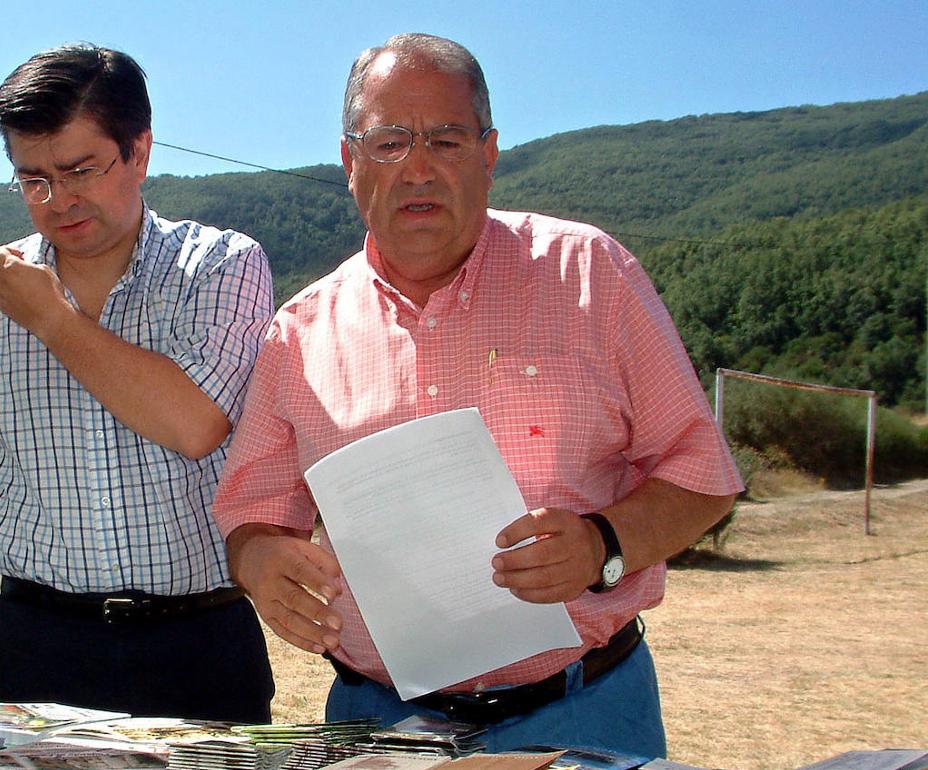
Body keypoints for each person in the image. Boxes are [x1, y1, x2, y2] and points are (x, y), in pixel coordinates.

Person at [212, 33, 742, 755]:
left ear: (489, 154)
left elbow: (702, 478)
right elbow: (254, 514)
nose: (418, 168)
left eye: (446, 140)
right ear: (350, 162)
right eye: (389, 142)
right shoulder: (299, 333)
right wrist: (260, 563)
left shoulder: (592, 274)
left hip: (584, 711)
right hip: (378, 725)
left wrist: (602, 545)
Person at [0, 43, 275, 722]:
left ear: (139, 152)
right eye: (33, 180)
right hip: (32, 644)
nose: (59, 200)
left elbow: (195, 423)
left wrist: (52, 319)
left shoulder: (222, 267)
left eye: (80, 169)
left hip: (199, 643)